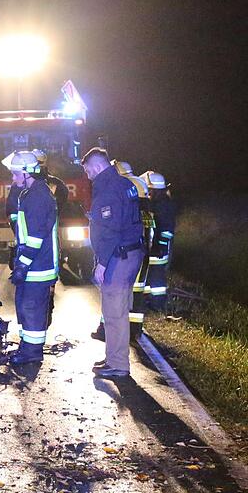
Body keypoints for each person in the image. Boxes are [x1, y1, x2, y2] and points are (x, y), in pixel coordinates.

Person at [82, 148, 144, 378]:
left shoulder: (107, 190)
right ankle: (113, 357)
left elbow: (110, 230)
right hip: (132, 252)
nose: (87, 175)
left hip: (119, 256)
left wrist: (102, 262)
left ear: (97, 167)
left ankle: (118, 364)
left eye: (88, 170)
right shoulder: (124, 184)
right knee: (120, 310)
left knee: (114, 312)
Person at [3, 151, 59, 364]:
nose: (13, 178)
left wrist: (22, 266)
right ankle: (26, 348)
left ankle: (33, 353)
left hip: (38, 265)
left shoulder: (37, 197)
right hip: (33, 263)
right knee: (25, 306)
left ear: (27, 173)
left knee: (32, 308)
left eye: (16, 174)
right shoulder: (32, 193)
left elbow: (36, 237)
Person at [116, 159, 152, 338]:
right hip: (144, 249)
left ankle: (119, 331)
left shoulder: (124, 187)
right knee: (137, 291)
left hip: (131, 251)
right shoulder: (141, 188)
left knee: (120, 290)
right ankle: (135, 330)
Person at [141, 170, 176, 312]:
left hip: (159, 247)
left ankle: (158, 304)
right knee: (152, 274)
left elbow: (167, 228)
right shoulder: (157, 203)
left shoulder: (163, 205)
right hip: (154, 245)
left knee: (157, 276)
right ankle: (151, 300)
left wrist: (161, 245)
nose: (148, 193)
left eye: (149, 190)